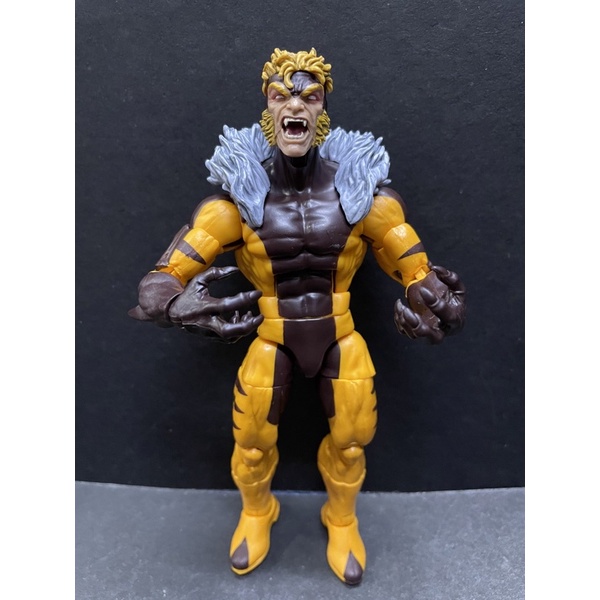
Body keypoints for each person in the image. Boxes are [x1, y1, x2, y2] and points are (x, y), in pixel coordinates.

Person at [130, 48, 465, 585]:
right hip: (273, 336)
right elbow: (162, 277)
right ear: (267, 108)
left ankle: (342, 518)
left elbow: (418, 270)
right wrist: (170, 301)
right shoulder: (236, 203)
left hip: (340, 333)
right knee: (252, 442)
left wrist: (439, 305)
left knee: (353, 438)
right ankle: (258, 511)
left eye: (309, 96)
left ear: (322, 110)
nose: (295, 106)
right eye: (281, 95)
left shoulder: (364, 195)